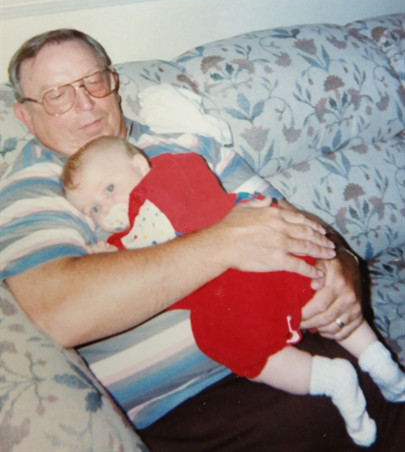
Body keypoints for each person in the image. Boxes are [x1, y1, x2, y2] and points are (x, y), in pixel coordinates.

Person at [1, 28, 404, 451]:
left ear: (113, 81)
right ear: (25, 116)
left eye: (92, 81)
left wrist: (342, 263)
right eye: (58, 95)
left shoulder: (186, 143)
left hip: (299, 335)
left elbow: (290, 218)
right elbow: (59, 312)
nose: (85, 103)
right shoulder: (31, 190)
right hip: (196, 399)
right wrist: (223, 243)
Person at [62, 136, 405, 447]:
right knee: (308, 291)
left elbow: (158, 239)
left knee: (232, 340)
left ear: (140, 166)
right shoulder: (160, 190)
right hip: (268, 270)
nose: (106, 209)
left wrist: (115, 251)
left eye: (109, 189)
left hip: (245, 282)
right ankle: (378, 360)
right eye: (94, 210)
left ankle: (329, 378)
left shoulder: (161, 184)